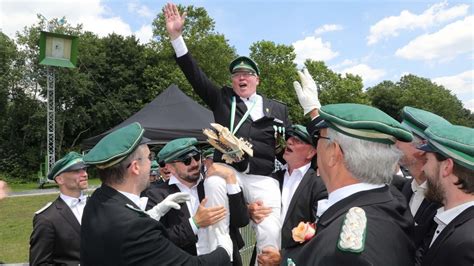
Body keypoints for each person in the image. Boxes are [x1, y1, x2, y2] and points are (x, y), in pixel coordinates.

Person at [164, 2, 296, 253]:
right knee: (213, 184)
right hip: (225, 170)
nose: (242, 78)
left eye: (247, 73)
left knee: (270, 231)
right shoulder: (222, 99)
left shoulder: (278, 109)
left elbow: (287, 147)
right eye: (237, 74)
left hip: (261, 175)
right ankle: (221, 251)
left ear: (257, 79)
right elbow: (194, 75)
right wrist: (176, 37)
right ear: (232, 80)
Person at [281, 103, 416, 265]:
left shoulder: (345, 251)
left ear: (333, 153)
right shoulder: (392, 200)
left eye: (318, 138)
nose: (316, 146)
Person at [80, 122, 232, 265]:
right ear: (135, 167)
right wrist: (224, 251)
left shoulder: (97, 200)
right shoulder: (137, 228)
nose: (152, 164)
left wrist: (152, 214)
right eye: (149, 158)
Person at [145, 138, 249, 265]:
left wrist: (231, 178)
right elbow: (158, 240)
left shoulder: (214, 184)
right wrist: (194, 224)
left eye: (196, 157)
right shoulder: (157, 195)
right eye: (187, 161)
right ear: (170, 167)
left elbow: (242, 221)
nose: (194, 163)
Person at [415, 124, 474, 266]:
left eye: (427, 160)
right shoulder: (443, 217)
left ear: (447, 167)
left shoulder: (467, 243)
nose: (423, 168)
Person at [397, 106, 450, 247]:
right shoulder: (407, 187)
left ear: (421, 148)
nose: (394, 142)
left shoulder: (444, 201)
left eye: (400, 137)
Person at [29, 152, 88, 265]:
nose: (84, 174)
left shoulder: (97, 206)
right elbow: (40, 263)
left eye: (84, 169)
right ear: (60, 180)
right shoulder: (47, 218)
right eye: (76, 171)